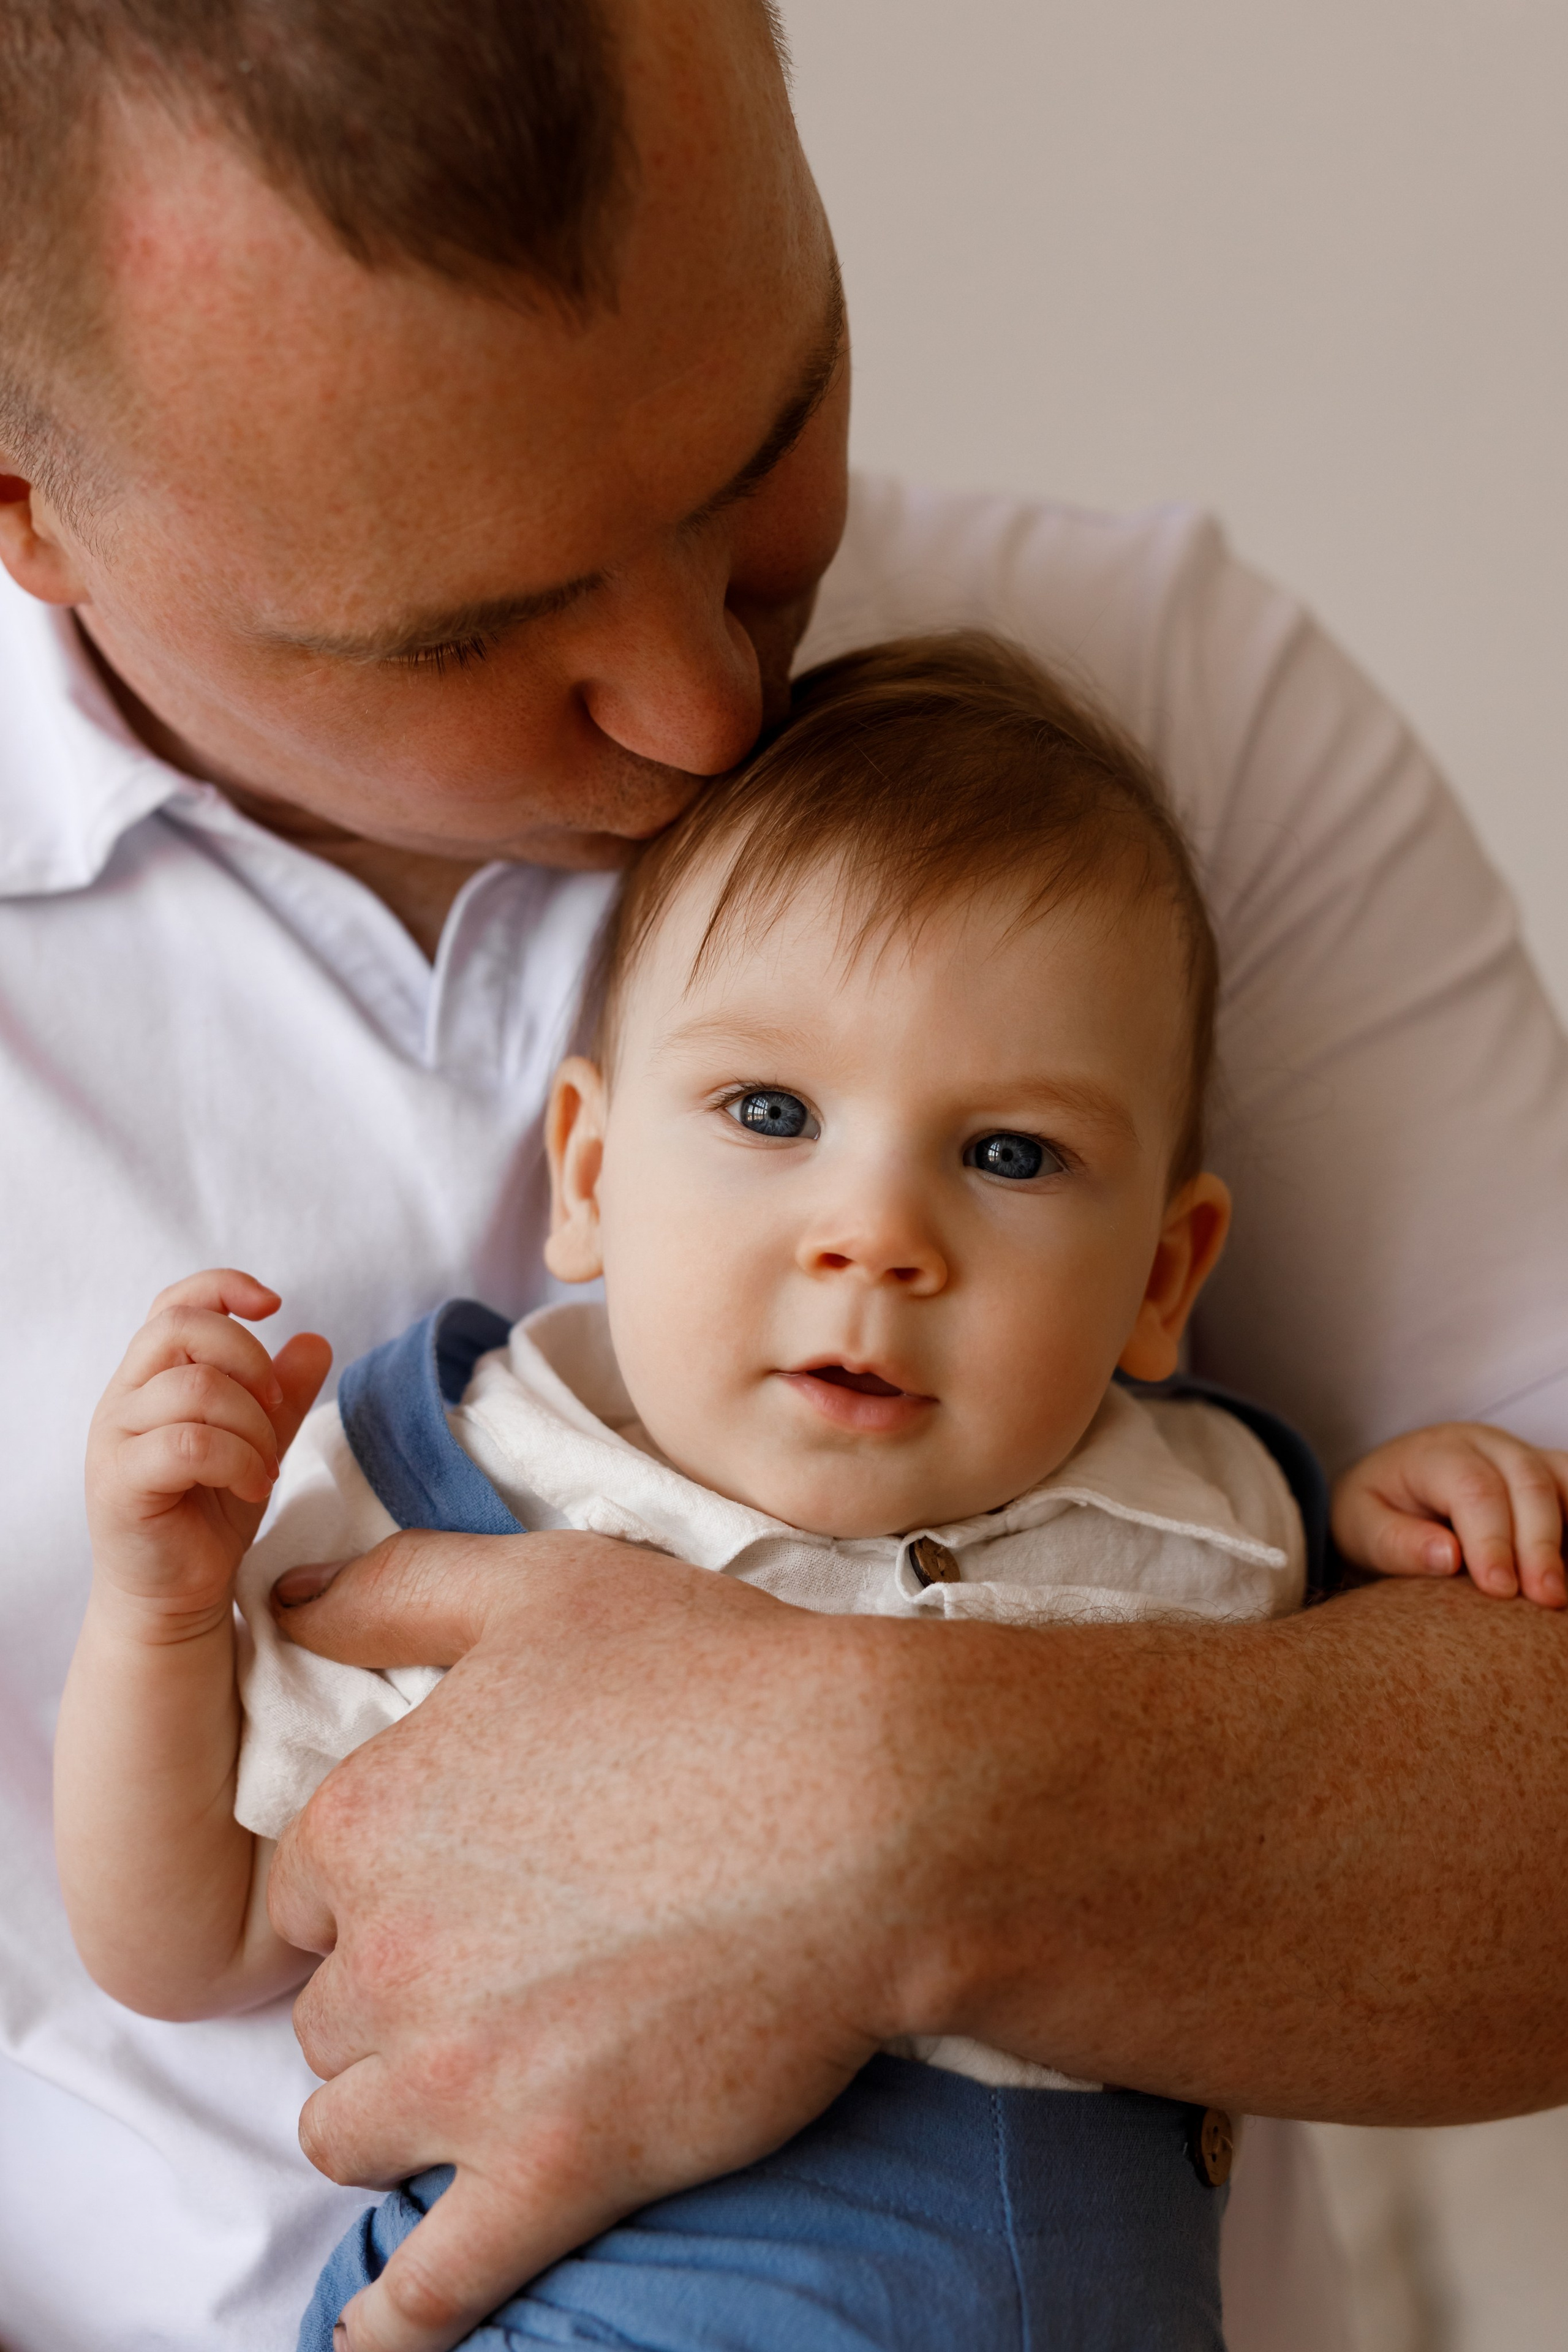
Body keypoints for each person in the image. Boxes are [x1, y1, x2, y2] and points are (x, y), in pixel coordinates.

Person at [4, 2, 1568, 2348]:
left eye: (772, 443)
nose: (715, 711)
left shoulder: (1149, 723)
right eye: (478, 630)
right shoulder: (443, 1442)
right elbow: (183, 1915)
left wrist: (864, 1814)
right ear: (29, 510)